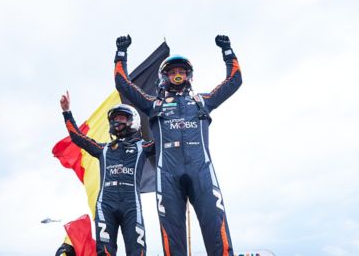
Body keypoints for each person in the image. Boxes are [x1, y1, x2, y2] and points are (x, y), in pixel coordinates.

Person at [113, 35, 242, 256]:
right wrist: (121, 54)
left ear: (188, 75)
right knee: (173, 238)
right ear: (164, 77)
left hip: (202, 173)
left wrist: (228, 51)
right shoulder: (154, 104)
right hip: (168, 176)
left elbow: (234, 81)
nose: (177, 75)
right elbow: (123, 84)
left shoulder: (202, 101)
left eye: (181, 71)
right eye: (172, 72)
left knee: (216, 230)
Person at [59, 91, 155, 256]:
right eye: (114, 118)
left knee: (137, 252)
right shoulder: (103, 149)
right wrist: (66, 112)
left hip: (131, 206)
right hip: (105, 206)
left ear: (133, 121)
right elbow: (78, 138)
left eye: (121, 117)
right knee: (104, 253)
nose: (117, 121)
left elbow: (167, 139)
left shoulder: (142, 147)